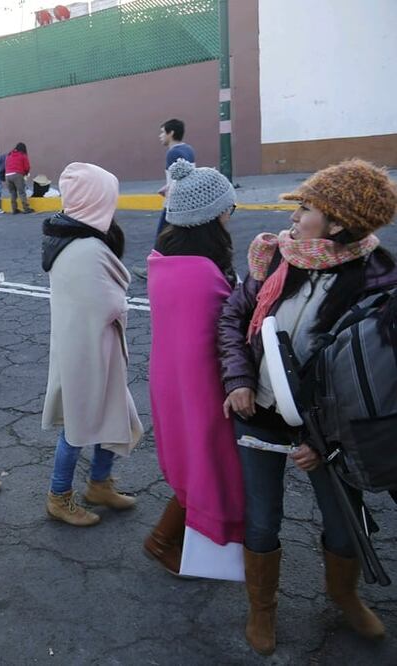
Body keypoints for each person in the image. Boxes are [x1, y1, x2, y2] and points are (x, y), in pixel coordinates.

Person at [217, 159, 396, 655]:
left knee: (343, 521)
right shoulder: (278, 257)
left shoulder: (378, 283)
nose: (294, 218)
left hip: (331, 433)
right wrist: (238, 379)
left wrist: (323, 442)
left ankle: (344, 595)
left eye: (307, 209)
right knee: (261, 518)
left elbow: (372, 381)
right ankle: (262, 608)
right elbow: (234, 316)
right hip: (260, 414)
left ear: (337, 224)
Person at [144, 159, 243, 575]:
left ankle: (172, 539)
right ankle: (162, 540)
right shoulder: (203, 274)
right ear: (211, 216)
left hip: (173, 380)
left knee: (194, 463)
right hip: (201, 386)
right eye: (227, 209)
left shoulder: (164, 261)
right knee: (207, 464)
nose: (229, 216)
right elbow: (231, 327)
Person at [42, 163, 142, 526]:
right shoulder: (85, 248)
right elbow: (107, 304)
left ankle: (99, 484)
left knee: (109, 412)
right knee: (78, 423)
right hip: (87, 351)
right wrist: (121, 302)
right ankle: (59, 496)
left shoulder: (73, 239)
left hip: (88, 346)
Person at [156, 118, 196, 238]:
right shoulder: (189, 149)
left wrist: (169, 190)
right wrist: (166, 187)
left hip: (174, 204)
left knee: (161, 238)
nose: (160, 136)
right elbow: (187, 174)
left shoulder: (172, 153)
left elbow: (177, 179)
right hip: (188, 202)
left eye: (163, 132)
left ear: (171, 133)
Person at [4, 143, 34, 214]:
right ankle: (26, 208)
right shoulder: (22, 155)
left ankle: (14, 209)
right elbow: (27, 167)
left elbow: (6, 165)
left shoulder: (9, 155)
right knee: (21, 192)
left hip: (7, 175)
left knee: (12, 193)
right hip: (17, 174)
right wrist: (26, 173)